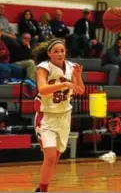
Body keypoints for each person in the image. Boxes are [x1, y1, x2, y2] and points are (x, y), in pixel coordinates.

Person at [34, 38, 85, 192]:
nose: (60, 53)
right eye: (56, 51)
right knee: (49, 157)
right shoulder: (43, 67)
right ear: (49, 53)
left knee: (54, 160)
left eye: (62, 51)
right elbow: (42, 89)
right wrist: (65, 84)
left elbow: (80, 90)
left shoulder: (71, 67)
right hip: (46, 116)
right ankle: (43, 190)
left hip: (64, 117)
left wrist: (78, 76)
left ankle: (40, 188)